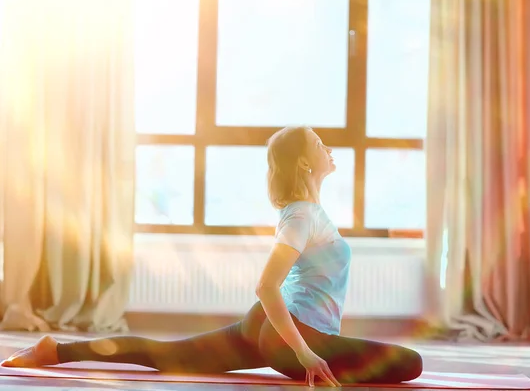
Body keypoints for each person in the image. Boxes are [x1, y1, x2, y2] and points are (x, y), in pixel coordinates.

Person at [1, 126, 423, 387]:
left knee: (167, 357)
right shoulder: (301, 217)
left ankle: (55, 350)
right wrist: (305, 353)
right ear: (303, 163)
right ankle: (57, 350)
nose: (327, 147)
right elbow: (266, 285)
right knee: (411, 363)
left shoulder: (305, 212)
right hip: (289, 334)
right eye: (317, 142)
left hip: (271, 327)